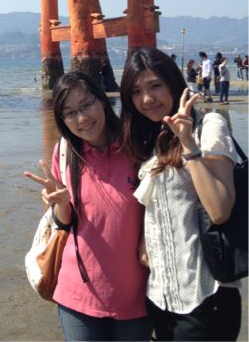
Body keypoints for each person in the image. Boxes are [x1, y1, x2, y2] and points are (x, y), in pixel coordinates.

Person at [120, 48, 241, 342]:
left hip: (204, 297)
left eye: (155, 86)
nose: (146, 99)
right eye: (136, 91)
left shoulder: (209, 126)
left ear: (174, 83)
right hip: (159, 297)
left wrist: (188, 144)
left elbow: (220, 209)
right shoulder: (150, 138)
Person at [24, 72, 151, 341]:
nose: (82, 118)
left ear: (102, 100)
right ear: (62, 120)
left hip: (135, 293)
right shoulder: (64, 153)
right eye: (70, 113)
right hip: (77, 295)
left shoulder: (135, 147)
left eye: (86, 105)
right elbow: (64, 224)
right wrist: (60, 205)